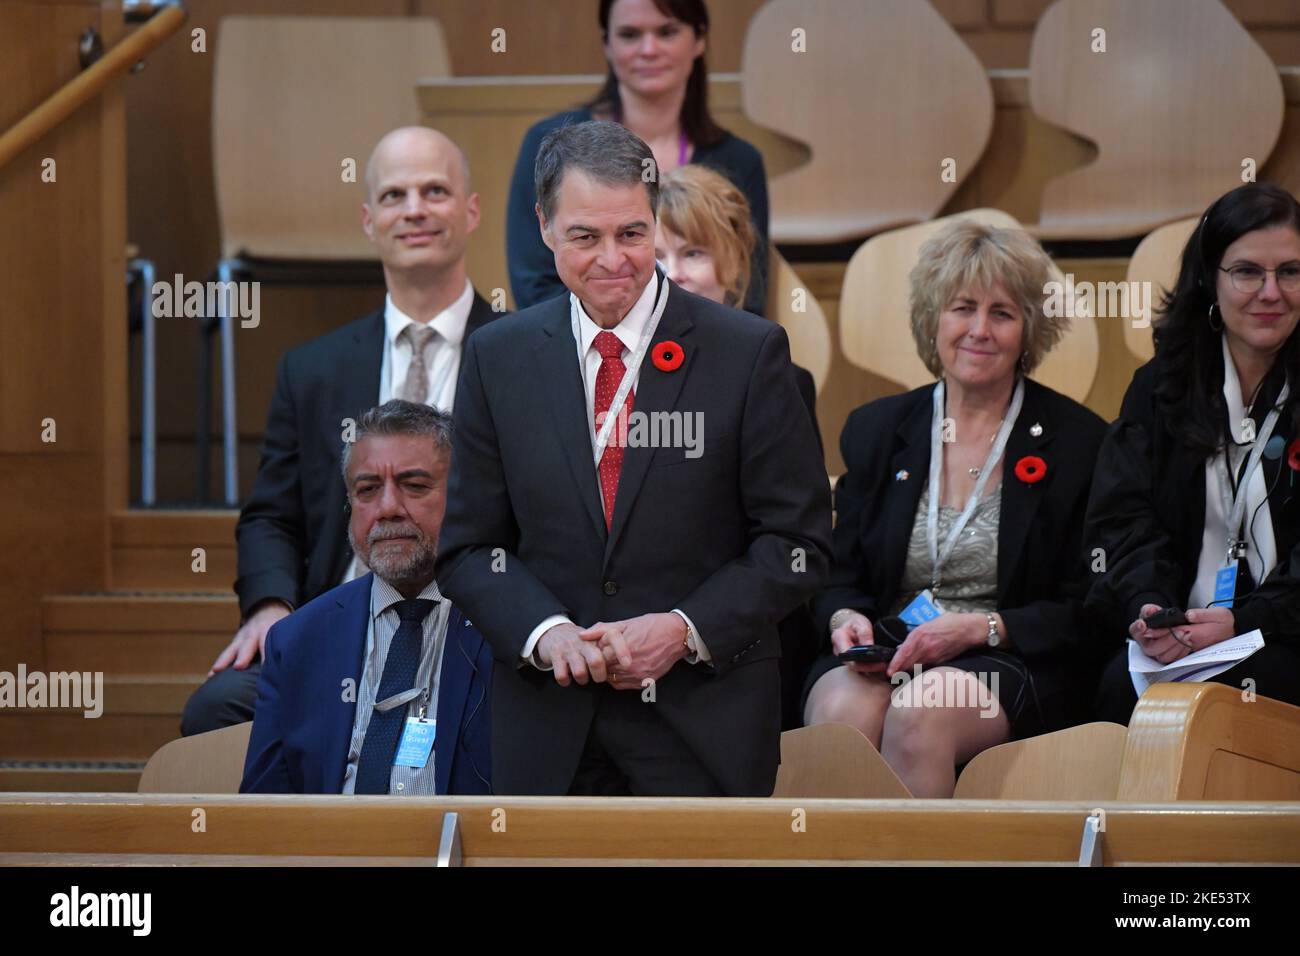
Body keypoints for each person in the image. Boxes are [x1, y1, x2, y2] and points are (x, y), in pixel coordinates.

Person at [437, 120, 830, 796]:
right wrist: (547, 632)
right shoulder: (496, 357)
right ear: (544, 228)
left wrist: (683, 630)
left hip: (703, 724)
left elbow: (797, 545)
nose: (613, 260)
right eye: (586, 236)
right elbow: (471, 549)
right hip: (547, 725)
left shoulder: (749, 353)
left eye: (632, 234)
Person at [183, 127, 502, 736]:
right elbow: (271, 516)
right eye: (393, 196)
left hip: (474, 635)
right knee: (217, 711)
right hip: (344, 635)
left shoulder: (521, 354)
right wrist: (271, 606)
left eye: (434, 190)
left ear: (471, 209)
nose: (414, 210)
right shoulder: (312, 370)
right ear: (368, 220)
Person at [804, 220, 1107, 798]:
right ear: (932, 320)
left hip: (1006, 653)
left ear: (1028, 331)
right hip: (894, 644)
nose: (978, 330)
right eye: (962, 307)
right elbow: (837, 574)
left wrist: (984, 627)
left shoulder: (1078, 443)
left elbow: (1091, 606)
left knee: (921, 711)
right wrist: (845, 620)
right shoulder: (878, 429)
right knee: (844, 712)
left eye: (1002, 313)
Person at [1087, 182, 1300, 722]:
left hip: (1286, 630)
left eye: (1291, 272)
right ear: (1210, 278)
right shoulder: (1162, 388)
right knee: (1118, 688)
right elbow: (1122, 520)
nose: (1271, 292)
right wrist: (1155, 609)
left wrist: (1250, 620)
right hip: (1186, 636)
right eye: (1248, 271)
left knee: (1231, 693)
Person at [242, 401, 492, 795]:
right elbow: (263, 814)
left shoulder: (507, 629)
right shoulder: (297, 641)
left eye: (415, 486)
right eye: (368, 490)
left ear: (462, 495)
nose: (388, 508)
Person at [656, 162, 821, 728]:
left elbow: (789, 544)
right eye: (656, 256)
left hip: (736, 651)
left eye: (693, 254)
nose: (672, 274)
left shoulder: (779, 377)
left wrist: (690, 627)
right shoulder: (602, 377)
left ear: (734, 264)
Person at [506, 0, 769, 314]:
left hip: (700, 349)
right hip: (580, 351)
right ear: (607, 43)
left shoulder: (739, 160)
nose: (648, 49)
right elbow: (534, 285)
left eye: (667, 32)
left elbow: (748, 293)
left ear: (699, 39)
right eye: (630, 34)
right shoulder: (546, 144)